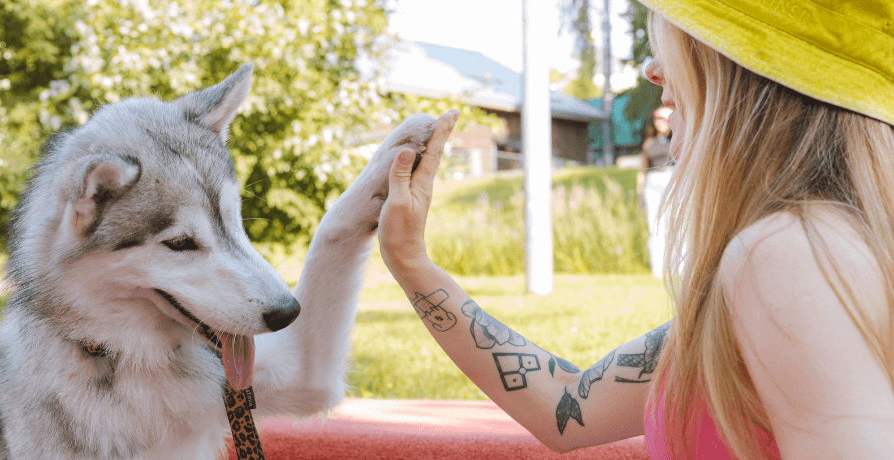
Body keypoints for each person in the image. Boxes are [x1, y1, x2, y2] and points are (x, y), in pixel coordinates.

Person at [376, 1, 894, 458]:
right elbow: (566, 403)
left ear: (752, 63)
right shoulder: (810, 252)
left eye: (687, 25)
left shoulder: (790, 255)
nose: (651, 70)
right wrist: (410, 261)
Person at [638, 106, 674, 277]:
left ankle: (676, 267)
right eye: (658, 118)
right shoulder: (648, 143)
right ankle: (657, 269)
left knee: (674, 225)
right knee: (655, 226)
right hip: (653, 182)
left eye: (665, 119)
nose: (662, 122)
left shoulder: (677, 140)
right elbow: (643, 168)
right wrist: (640, 194)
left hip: (672, 179)